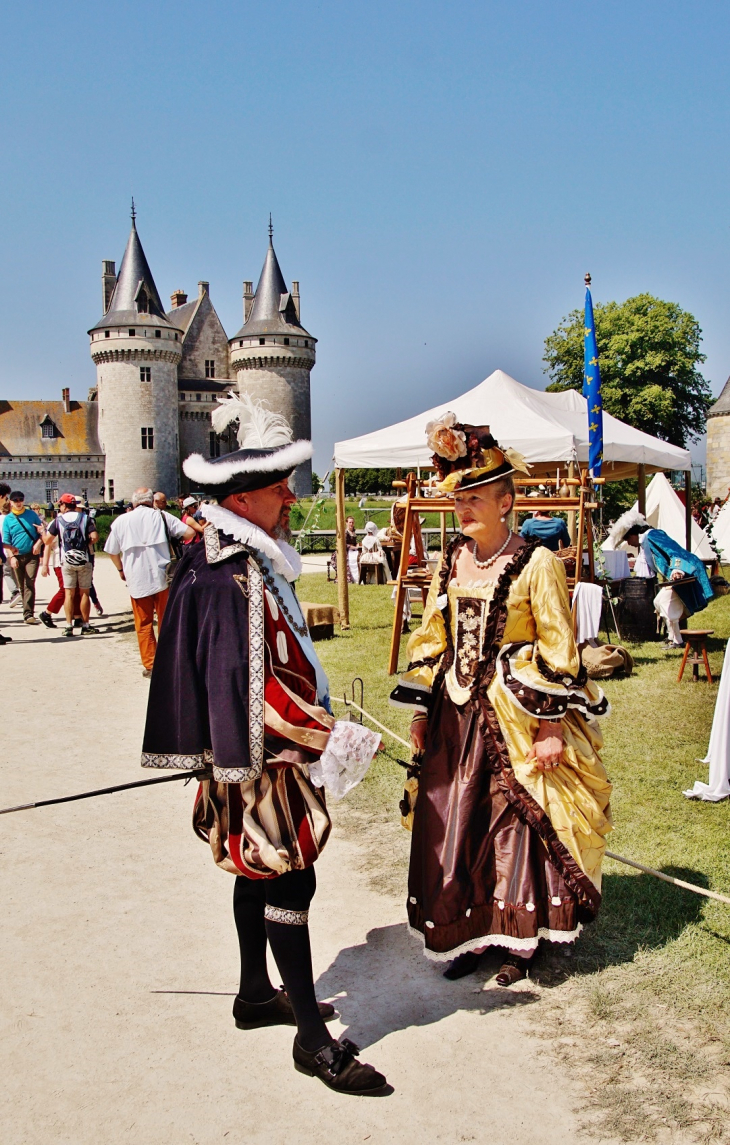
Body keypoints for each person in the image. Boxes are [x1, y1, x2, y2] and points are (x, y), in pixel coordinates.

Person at [140, 402, 386, 1095]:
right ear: (241, 497)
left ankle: (255, 993)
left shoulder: (225, 556)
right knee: (288, 875)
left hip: (246, 755)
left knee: (259, 872)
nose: (291, 496)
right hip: (259, 761)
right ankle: (313, 1041)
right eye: (280, 486)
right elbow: (253, 693)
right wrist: (327, 733)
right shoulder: (231, 575)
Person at [390, 414, 612, 985]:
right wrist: (421, 710)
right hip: (453, 713)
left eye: (477, 497)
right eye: (458, 497)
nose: (463, 508)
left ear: (506, 500)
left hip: (516, 711)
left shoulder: (537, 563)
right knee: (455, 820)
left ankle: (518, 937)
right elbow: (431, 639)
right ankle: (464, 929)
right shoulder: (449, 561)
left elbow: (560, 647)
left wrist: (551, 727)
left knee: (513, 819)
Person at [104, 488, 194, 677]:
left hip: (136, 577)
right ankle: (168, 660)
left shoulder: (121, 521)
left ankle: (151, 664)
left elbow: (111, 550)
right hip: (162, 576)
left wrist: (121, 569)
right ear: (151, 501)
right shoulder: (161, 517)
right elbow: (189, 533)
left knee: (143, 624)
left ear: (134, 502)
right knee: (166, 621)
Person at [606, 509, 715, 648]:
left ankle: (677, 641)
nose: (628, 542)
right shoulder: (646, 541)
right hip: (678, 574)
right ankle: (673, 637)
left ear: (634, 534)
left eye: (627, 539)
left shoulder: (653, 536)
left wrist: (677, 569)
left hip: (686, 570)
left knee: (663, 601)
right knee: (660, 602)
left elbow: (674, 551)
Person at [41, 494, 99, 637]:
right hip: (83, 559)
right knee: (84, 592)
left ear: (64, 505)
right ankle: (85, 625)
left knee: (69, 593)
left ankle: (68, 625)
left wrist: (42, 532)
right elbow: (95, 537)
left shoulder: (58, 520)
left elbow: (48, 541)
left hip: (66, 560)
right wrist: (86, 544)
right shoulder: (86, 519)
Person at [2, 491, 43, 624]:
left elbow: (42, 532)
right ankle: (26, 611)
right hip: (17, 556)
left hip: (32, 555)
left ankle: (28, 614)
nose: (18, 503)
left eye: (20, 500)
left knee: (29, 582)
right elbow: (6, 541)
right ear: (11, 502)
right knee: (21, 585)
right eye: (15, 501)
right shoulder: (8, 519)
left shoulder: (32, 515)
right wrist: (11, 557)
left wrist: (38, 544)